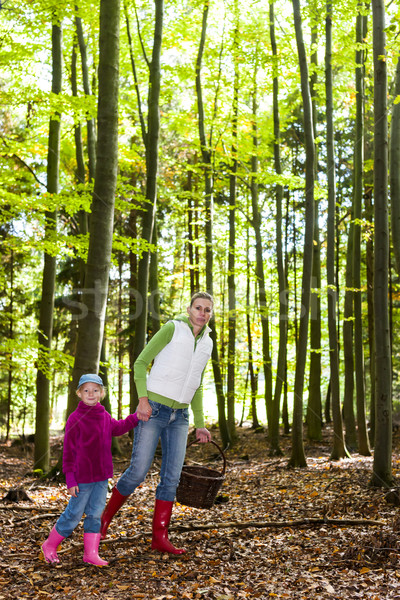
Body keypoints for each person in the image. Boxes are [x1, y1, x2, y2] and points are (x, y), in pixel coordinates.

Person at [100, 291, 214, 555]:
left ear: (210, 314)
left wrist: (199, 422)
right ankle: (103, 519)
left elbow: (196, 384)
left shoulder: (207, 343)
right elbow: (140, 363)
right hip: (154, 409)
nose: (202, 313)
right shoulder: (172, 329)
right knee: (138, 471)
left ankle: (159, 537)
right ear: (189, 309)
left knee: (171, 478)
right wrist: (142, 399)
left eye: (207, 310)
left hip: (180, 417)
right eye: (198, 307)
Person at [41, 374, 138, 566]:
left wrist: (136, 417)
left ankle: (91, 554)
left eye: (95, 390)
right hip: (81, 478)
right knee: (74, 514)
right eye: (86, 390)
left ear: (101, 393)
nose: (91, 393)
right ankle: (50, 545)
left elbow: (118, 428)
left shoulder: (104, 416)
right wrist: (70, 479)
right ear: (79, 393)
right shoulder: (74, 418)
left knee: (95, 514)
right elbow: (68, 452)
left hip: (101, 478)